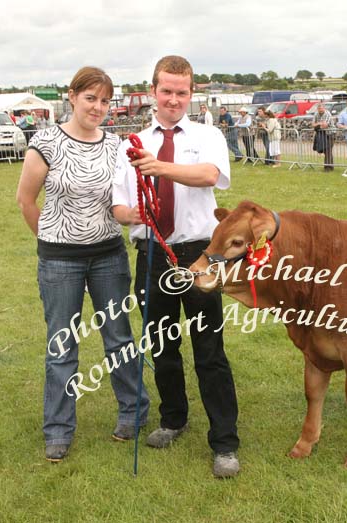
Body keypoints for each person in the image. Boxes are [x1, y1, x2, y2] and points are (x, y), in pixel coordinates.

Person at [112, 55, 240, 479]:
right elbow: (118, 201)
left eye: (181, 92)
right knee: (163, 346)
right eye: (165, 91)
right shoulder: (130, 143)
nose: (173, 99)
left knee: (209, 351)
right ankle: (173, 419)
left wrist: (159, 166)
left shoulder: (208, 135)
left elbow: (209, 176)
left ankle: (224, 442)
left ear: (191, 94)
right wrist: (128, 214)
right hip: (151, 255)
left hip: (198, 256)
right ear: (153, 92)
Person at [15, 66, 150, 463]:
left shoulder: (115, 145)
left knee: (119, 339)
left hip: (109, 256)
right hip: (60, 262)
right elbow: (26, 201)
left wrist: (137, 215)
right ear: (72, 96)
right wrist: (51, 239)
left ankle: (134, 411)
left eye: (106, 100)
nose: (99, 107)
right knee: (62, 346)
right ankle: (58, 429)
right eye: (91, 98)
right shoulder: (46, 141)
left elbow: (123, 199)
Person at [312, 102, 335, 171]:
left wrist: (317, 125)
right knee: (326, 150)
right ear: (317, 109)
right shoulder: (316, 114)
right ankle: (331, 166)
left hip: (330, 134)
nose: (320, 110)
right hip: (322, 134)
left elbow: (325, 125)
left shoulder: (327, 114)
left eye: (321, 108)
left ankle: (327, 167)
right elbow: (313, 124)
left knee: (328, 150)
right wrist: (320, 124)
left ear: (324, 108)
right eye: (319, 108)